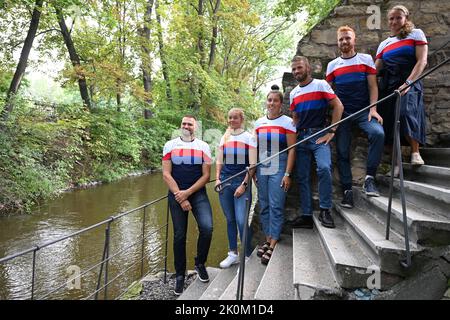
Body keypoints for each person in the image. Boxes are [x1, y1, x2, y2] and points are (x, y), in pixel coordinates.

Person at [326, 26, 385, 209]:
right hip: (342, 115)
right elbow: (328, 93)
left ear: (354, 40)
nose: (344, 42)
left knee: (378, 134)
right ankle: (347, 191)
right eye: (341, 39)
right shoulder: (333, 65)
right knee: (342, 152)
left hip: (363, 111)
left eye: (347, 38)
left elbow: (373, 87)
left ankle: (369, 179)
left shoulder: (366, 59)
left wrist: (373, 109)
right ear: (338, 42)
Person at [289, 56, 344, 229]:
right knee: (302, 177)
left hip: (319, 135)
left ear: (308, 68)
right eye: (294, 69)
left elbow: (338, 107)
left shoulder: (320, 84)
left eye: (299, 68)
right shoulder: (293, 93)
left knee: (324, 168)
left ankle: (325, 210)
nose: (297, 71)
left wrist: (332, 131)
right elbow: (295, 118)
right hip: (301, 139)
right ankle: (306, 215)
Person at [162, 115, 213, 296]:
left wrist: (188, 194)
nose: (186, 126)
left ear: (195, 127)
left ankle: (199, 263)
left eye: (190, 124)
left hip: (197, 194)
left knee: (207, 228)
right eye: (183, 123)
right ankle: (180, 275)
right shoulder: (170, 145)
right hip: (176, 195)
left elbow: (206, 176)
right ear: (180, 125)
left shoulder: (203, 147)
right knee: (179, 235)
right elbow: (166, 174)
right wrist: (181, 198)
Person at [375, 5, 428, 170]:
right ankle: (395, 162)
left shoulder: (416, 34)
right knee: (388, 121)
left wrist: (408, 83)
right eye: (391, 18)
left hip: (409, 80)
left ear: (406, 18)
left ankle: (415, 152)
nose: (394, 21)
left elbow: (422, 61)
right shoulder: (384, 43)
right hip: (388, 85)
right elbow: (375, 69)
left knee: (406, 113)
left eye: (398, 17)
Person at [254, 85, 296, 265]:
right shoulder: (258, 122)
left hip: (279, 165)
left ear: (281, 104)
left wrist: (287, 173)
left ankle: (273, 243)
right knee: (263, 204)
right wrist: (253, 169)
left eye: (275, 100)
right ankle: (267, 237)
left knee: (276, 204)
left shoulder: (288, 122)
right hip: (262, 166)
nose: (271, 103)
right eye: (269, 100)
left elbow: (293, 149)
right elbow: (255, 148)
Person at [215, 108, 257, 268]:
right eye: (230, 118)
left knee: (241, 220)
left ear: (241, 120)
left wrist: (244, 184)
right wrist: (218, 178)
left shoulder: (249, 138)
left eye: (235, 118)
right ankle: (232, 253)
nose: (232, 120)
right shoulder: (224, 137)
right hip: (225, 183)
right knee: (230, 220)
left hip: (241, 183)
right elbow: (219, 161)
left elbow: (253, 165)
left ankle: (247, 256)